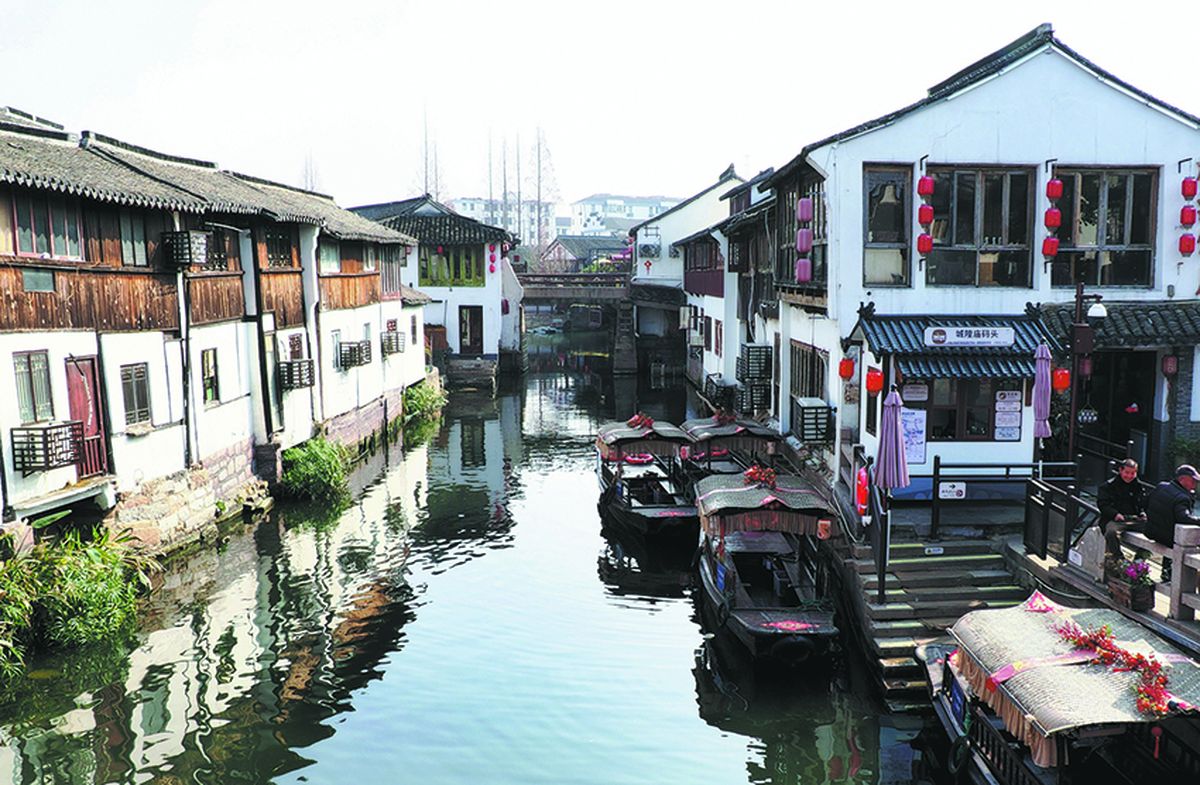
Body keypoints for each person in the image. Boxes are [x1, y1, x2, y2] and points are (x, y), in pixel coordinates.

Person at [1145, 464, 1200, 582]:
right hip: (1168, 537)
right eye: (1193, 480)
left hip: (1151, 531)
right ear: (1182, 479)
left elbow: (1145, 503)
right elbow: (1184, 518)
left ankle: (1162, 573)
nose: (1195, 483)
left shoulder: (1161, 486)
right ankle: (1177, 579)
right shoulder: (1182, 497)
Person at [1099, 459, 1147, 560]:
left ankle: (1140, 559)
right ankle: (1119, 559)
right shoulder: (1108, 486)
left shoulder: (1138, 486)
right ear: (1120, 470)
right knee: (1111, 532)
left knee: (1154, 530)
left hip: (1134, 519)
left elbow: (1142, 503)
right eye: (1127, 472)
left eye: (1133, 473)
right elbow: (1103, 505)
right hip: (1116, 520)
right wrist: (1115, 514)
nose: (1129, 476)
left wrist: (1143, 513)